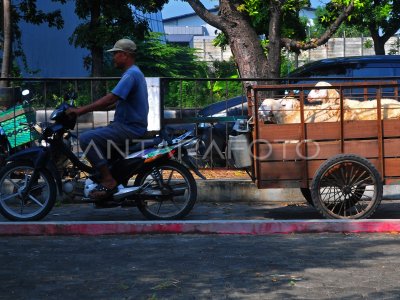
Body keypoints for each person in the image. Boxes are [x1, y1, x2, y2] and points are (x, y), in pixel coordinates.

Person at [66, 38, 149, 200]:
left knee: (86, 138)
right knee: (99, 139)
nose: (113, 58)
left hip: (128, 127)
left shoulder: (131, 75)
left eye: (116, 54)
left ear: (125, 55)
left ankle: (108, 181)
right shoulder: (134, 73)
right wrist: (85, 108)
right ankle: (108, 180)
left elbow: (110, 99)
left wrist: (79, 111)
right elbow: (113, 103)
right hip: (128, 125)